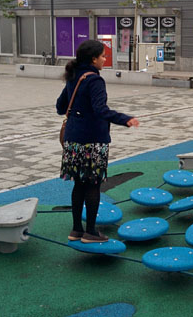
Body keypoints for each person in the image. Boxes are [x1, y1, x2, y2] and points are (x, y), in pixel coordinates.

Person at [56, 40, 139, 243]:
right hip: (92, 140)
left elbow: (60, 107)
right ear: (93, 59)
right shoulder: (94, 80)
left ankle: (76, 229)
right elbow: (101, 110)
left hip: (73, 140)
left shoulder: (74, 76)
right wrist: (125, 119)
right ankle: (91, 232)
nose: (105, 59)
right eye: (102, 56)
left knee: (79, 185)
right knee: (93, 185)